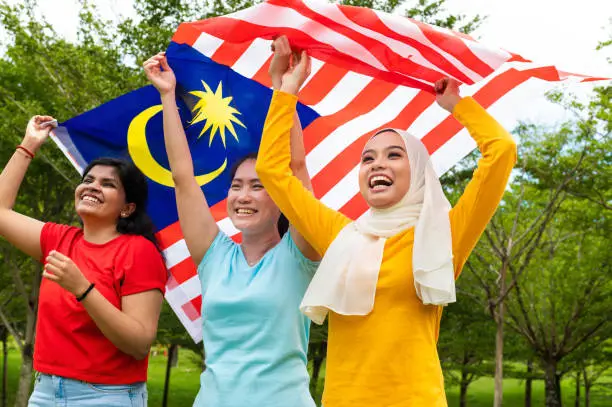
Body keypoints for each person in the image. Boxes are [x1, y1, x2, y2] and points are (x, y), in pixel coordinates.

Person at [256, 50, 517, 406]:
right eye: (368, 158)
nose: (377, 164)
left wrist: (457, 104)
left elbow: (501, 151)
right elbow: (272, 171)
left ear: (420, 171)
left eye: (394, 154)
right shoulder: (338, 234)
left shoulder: (444, 235)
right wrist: (286, 90)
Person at [142, 35, 319, 407]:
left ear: (281, 198)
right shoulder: (215, 255)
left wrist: (282, 88)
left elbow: (297, 167)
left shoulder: (299, 255)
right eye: (237, 186)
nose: (242, 195)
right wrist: (167, 96)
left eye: (258, 186)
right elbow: (182, 177)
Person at [0, 117, 168, 406]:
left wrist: (83, 289)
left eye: (107, 184)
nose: (92, 187)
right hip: (46, 392)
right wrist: (28, 145)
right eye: (88, 180)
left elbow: (139, 344)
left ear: (127, 208)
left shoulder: (139, 251)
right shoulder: (60, 239)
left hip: (106, 396)